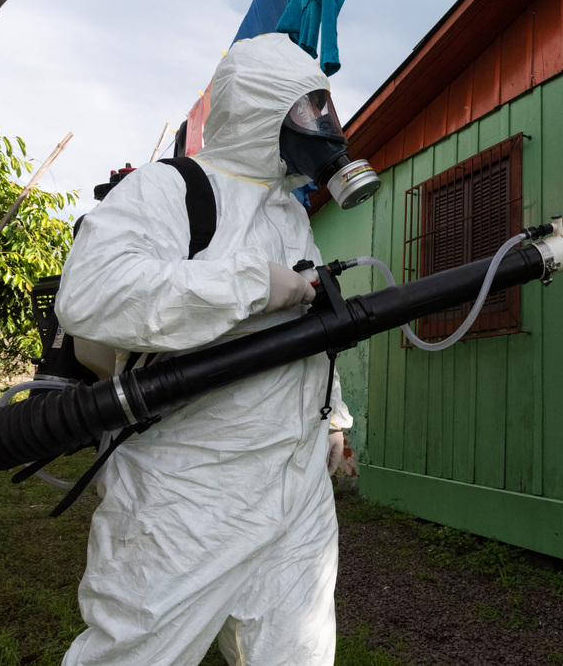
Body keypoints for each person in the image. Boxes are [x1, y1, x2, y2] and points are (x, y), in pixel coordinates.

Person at [55, 33, 353, 665]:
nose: (325, 125)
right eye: (309, 108)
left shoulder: (290, 213)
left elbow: (310, 330)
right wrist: (249, 284)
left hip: (295, 488)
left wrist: (333, 419)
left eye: (326, 107)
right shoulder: (169, 190)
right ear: (258, 109)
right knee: (136, 653)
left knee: (297, 653)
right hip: (187, 494)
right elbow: (93, 293)